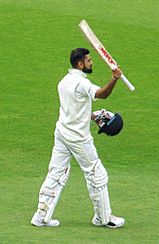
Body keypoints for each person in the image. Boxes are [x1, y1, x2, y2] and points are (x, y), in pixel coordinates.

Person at [31, 48, 125, 228]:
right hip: (78, 139)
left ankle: (41, 216)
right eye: (89, 60)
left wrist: (91, 115)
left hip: (62, 133)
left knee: (56, 174)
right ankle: (104, 218)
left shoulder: (63, 82)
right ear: (80, 64)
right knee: (97, 174)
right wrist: (114, 78)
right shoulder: (82, 84)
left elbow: (72, 110)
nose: (92, 62)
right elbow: (102, 94)